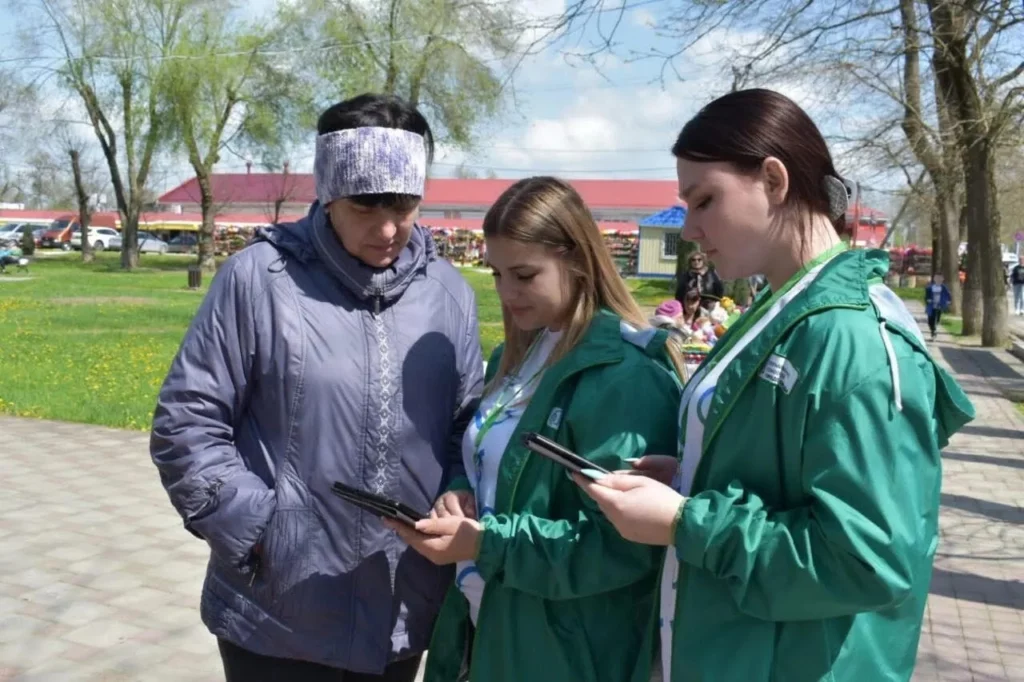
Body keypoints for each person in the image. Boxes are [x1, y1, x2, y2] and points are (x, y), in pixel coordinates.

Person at [575, 89, 975, 682]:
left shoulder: (848, 337)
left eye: (705, 200)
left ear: (773, 179)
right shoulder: (783, 309)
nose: (691, 229)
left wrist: (687, 522)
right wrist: (692, 472)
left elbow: (868, 559)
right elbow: (785, 477)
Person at [150, 93, 484, 682]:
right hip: (278, 610)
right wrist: (259, 528)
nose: (388, 228)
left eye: (404, 205)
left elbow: (467, 422)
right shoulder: (258, 279)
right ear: (329, 194)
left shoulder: (447, 292)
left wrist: (458, 490)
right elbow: (187, 421)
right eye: (365, 206)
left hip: (403, 604)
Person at [388, 176, 686, 682]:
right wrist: (462, 491)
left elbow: (622, 546)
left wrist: (485, 545)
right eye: (497, 274)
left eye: (524, 275)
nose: (507, 294)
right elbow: (493, 462)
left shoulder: (627, 376)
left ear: (577, 260)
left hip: (564, 652)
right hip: (485, 628)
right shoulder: (516, 354)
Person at [924, 273, 952, 340]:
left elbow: (948, 295)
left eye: (940, 278)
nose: (938, 280)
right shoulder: (930, 287)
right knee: (930, 320)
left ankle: (934, 332)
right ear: (934, 279)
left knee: (936, 319)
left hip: (939, 306)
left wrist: (948, 301)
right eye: (937, 278)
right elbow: (926, 296)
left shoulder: (944, 288)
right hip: (931, 306)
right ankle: (933, 329)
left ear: (942, 279)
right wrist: (928, 300)